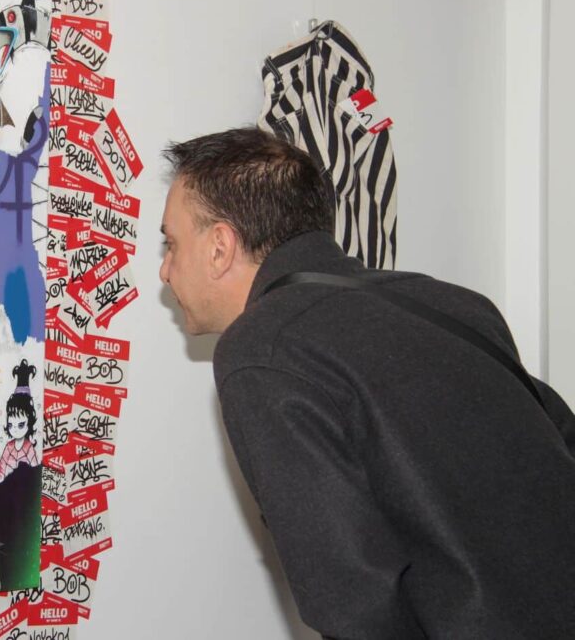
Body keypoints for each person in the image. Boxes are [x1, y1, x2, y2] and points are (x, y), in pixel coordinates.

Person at [159, 127, 575, 639]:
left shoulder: (262, 351)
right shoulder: (454, 302)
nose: (165, 270)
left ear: (220, 247)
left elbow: (353, 602)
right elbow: (559, 440)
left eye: (172, 244)